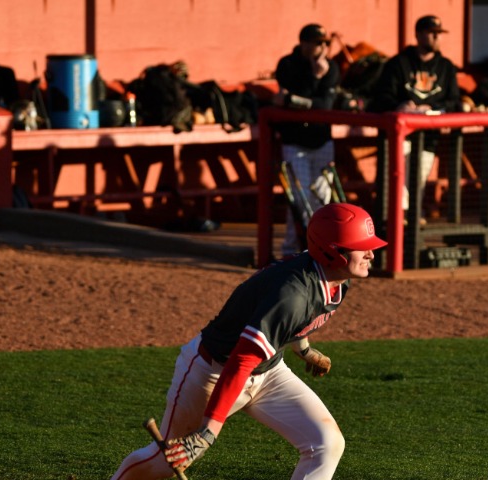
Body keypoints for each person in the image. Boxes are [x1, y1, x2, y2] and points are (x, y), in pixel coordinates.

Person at [110, 203, 387, 480]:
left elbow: (297, 321)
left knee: (327, 444)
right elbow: (241, 360)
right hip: (212, 373)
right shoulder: (293, 294)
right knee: (164, 461)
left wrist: (305, 351)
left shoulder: (336, 277)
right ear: (333, 251)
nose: (371, 254)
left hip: (269, 371)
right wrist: (207, 434)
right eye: (361, 247)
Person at [370, 15, 461, 223]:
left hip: (428, 135)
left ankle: (411, 218)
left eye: (439, 34)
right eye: (432, 33)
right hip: (400, 134)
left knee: (418, 178)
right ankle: (397, 219)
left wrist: (433, 108)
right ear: (418, 35)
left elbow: (454, 101)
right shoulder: (398, 63)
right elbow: (381, 97)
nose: (436, 37)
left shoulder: (446, 66)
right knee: (397, 177)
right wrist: (401, 105)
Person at [273, 23, 341, 256]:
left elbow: (325, 105)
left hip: (322, 141)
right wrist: (315, 77)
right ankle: (292, 249)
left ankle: (318, 249)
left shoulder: (331, 67)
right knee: (299, 200)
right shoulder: (288, 64)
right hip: (294, 142)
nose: (322, 48)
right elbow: (295, 95)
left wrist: (293, 100)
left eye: (324, 43)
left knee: (322, 199)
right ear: (303, 43)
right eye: (316, 43)